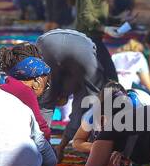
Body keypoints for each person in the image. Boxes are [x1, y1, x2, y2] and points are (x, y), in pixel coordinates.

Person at [37, 27, 118, 156]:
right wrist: (62, 146)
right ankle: (91, 145)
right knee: (91, 101)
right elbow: (80, 115)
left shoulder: (66, 82)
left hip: (49, 44)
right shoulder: (79, 83)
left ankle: (39, 147)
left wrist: (61, 147)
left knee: (45, 101)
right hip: (80, 46)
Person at [68, 0, 119, 75]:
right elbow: (86, 15)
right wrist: (104, 29)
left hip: (91, 39)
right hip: (87, 40)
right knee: (109, 77)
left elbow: (97, 14)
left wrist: (119, 20)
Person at [0, 52, 51, 132]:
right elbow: (40, 127)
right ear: (38, 81)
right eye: (46, 85)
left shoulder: (2, 87)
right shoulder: (25, 92)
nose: (45, 90)